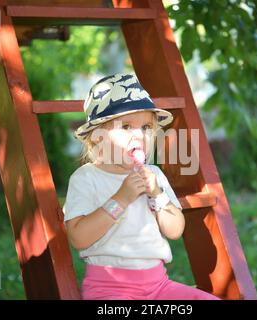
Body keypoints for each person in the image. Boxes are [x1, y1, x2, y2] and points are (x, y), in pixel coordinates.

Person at [63, 73, 219, 300]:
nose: (139, 136)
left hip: (159, 286)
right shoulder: (86, 178)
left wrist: (157, 194)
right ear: (98, 137)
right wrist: (121, 199)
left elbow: (175, 231)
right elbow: (79, 238)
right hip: (108, 289)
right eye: (126, 127)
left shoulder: (153, 174)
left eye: (146, 127)